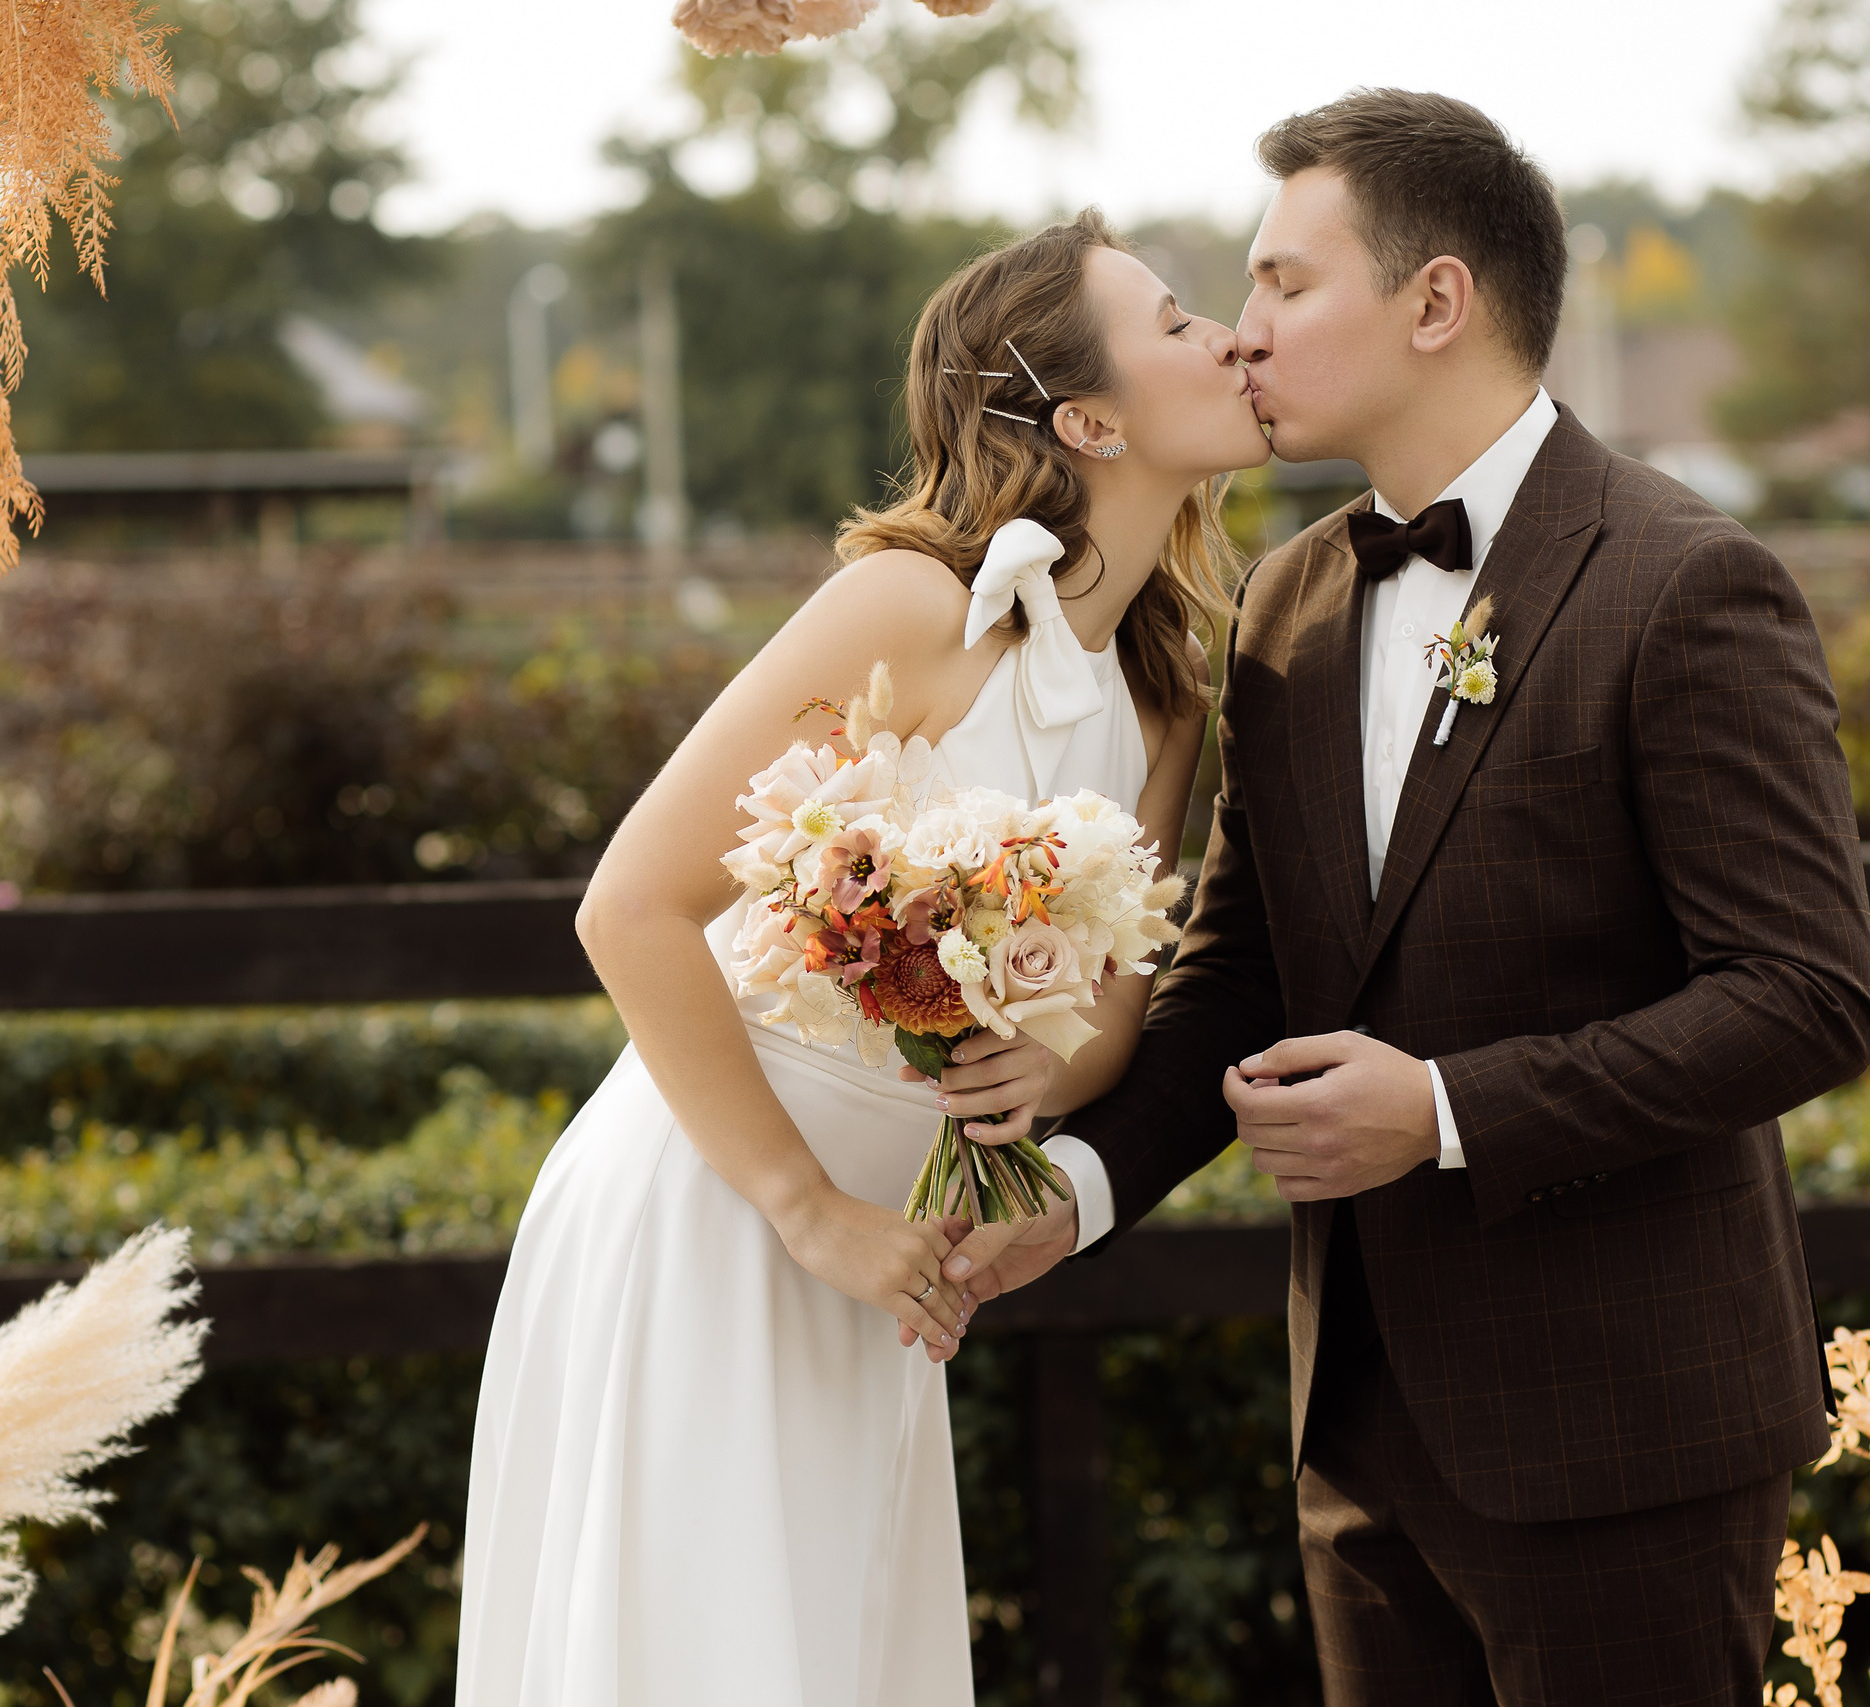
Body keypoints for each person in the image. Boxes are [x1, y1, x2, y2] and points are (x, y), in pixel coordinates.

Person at [949, 90, 1870, 1705]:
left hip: (1627, 1435)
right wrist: (1073, 1197)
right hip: (1361, 1435)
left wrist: (1446, 1111)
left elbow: (1803, 996)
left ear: (1436, 300)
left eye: (1285, 284)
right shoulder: (1286, 602)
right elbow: (1240, 972)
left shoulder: (1685, 581)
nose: (1245, 332)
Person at [455, 209, 1267, 1706]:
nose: (1226, 336)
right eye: (1175, 320)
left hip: (892, 1267)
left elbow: (1109, 1023)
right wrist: (803, 1208)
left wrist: (1038, 1068)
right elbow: (628, 909)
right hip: (723, 1214)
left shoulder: (1165, 700)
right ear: (1088, 420)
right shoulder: (913, 604)